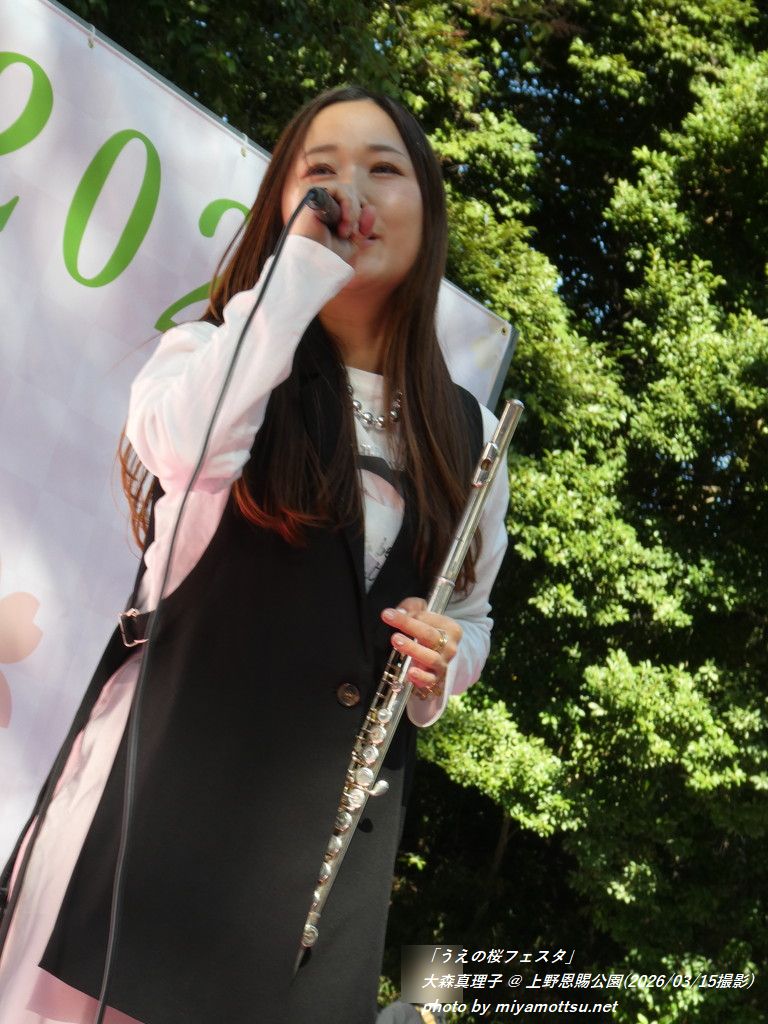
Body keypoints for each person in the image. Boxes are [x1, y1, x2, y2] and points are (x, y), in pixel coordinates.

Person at [0, 86, 509, 1024]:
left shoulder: (468, 431)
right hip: (155, 816)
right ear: (282, 204)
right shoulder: (210, 350)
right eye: (321, 172)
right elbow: (188, 450)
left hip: (316, 864)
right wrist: (294, 279)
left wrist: (448, 657)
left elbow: (470, 613)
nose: (352, 192)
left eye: (383, 169)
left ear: (428, 208)